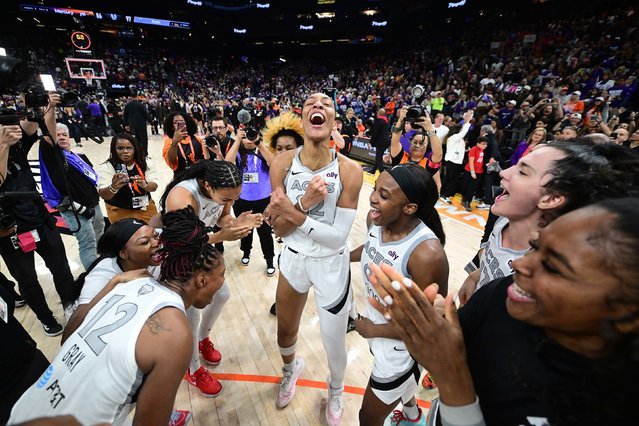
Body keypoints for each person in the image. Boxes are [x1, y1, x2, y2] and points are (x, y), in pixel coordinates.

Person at [367, 198, 639, 425]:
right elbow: (447, 340)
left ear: (626, 311)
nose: (521, 265)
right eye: (535, 248)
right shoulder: (501, 294)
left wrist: (451, 375)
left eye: (554, 267)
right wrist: (431, 327)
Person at [9, 206, 226, 426]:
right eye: (222, 274)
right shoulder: (176, 333)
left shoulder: (130, 281)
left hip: (29, 409)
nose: (223, 282)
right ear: (201, 279)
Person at [267, 92, 363, 425]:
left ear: (334, 122)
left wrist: (294, 215)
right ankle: (290, 370)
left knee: (334, 341)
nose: (318, 106)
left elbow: (338, 237)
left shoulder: (350, 171)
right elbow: (277, 227)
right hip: (293, 257)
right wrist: (305, 205)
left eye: (326, 104)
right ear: (303, 118)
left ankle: (336, 388)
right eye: (310, 104)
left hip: (331, 264)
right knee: (284, 332)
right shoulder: (281, 163)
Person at [458, 141, 639, 304]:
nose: (504, 172)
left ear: (551, 198)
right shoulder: (504, 219)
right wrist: (476, 276)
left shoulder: (543, 267)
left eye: (523, 172)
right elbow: (491, 254)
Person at [350, 165, 448, 426]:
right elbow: (372, 247)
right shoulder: (377, 219)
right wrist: (341, 258)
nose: (373, 198)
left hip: (402, 350)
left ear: (409, 208)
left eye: (383, 195)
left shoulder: (426, 254)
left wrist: (372, 329)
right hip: (381, 333)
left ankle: (412, 414)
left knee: (367, 418)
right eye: (374, 189)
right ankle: (413, 415)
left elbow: (428, 325)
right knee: (402, 387)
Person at [158, 159, 261, 397]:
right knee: (191, 314)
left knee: (222, 294)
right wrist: (223, 236)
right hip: (178, 253)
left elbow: (222, 217)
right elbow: (184, 241)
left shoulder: (222, 192)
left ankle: (203, 339)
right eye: (227, 199)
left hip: (200, 248)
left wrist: (236, 223)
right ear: (207, 185)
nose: (231, 203)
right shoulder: (182, 197)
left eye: (235, 198)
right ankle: (193, 369)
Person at [0, 94, 75, 336]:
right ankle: (45, 317)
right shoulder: (5, 145)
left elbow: (40, 128)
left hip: (38, 216)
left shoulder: (16, 144)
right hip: (9, 227)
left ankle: (71, 307)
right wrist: (2, 146)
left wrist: (47, 107)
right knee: (28, 279)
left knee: (62, 268)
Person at [39, 123, 105, 270]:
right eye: (58, 135)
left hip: (94, 204)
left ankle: (103, 260)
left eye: (65, 135)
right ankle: (95, 275)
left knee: (99, 232)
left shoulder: (79, 157)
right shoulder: (54, 159)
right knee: (87, 243)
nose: (62, 137)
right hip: (74, 210)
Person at [262, 111, 305, 315]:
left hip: (313, 233)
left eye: (289, 147)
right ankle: (282, 302)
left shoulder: (311, 170)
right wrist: (272, 205)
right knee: (286, 265)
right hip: (291, 233)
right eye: (278, 148)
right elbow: (278, 193)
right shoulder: (279, 170)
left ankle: (349, 313)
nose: (283, 152)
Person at [225, 127, 276, 275]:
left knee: (265, 233)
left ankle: (269, 260)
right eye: (246, 137)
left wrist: (259, 143)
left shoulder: (263, 151)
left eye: (252, 136)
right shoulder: (239, 153)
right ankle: (246, 252)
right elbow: (228, 163)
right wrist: (237, 140)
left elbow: (274, 163)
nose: (249, 140)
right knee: (245, 230)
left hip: (264, 201)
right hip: (243, 200)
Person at [97, 133, 159, 223]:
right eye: (120, 148)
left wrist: (144, 185)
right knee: (126, 236)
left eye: (129, 148)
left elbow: (154, 187)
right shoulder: (107, 167)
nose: (125, 151)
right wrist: (113, 187)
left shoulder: (145, 162)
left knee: (154, 232)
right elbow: (104, 195)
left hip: (145, 207)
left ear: (135, 148)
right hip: (119, 209)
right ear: (114, 150)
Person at [388, 107, 443, 176]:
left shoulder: (428, 166)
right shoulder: (401, 157)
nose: (417, 145)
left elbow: (438, 154)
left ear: (427, 147)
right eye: (415, 142)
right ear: (410, 144)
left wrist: (431, 130)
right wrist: (401, 120)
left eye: (421, 143)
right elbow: (394, 142)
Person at [440, 110, 473, 203]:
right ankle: (445, 195)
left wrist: (466, 150)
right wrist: (467, 121)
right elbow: (463, 132)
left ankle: (443, 194)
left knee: (449, 178)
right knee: (450, 179)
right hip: (452, 161)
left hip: (455, 161)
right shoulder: (453, 137)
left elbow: (458, 148)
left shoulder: (457, 139)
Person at [162, 112, 209, 177]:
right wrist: (174, 143)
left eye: (181, 122)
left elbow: (206, 158)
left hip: (199, 176)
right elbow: (171, 161)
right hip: (181, 178)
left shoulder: (197, 139)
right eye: (175, 122)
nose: (178, 124)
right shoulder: (169, 141)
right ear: (171, 126)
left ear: (187, 123)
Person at [460, 137, 488, 212]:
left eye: (486, 144)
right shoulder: (474, 149)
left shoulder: (482, 150)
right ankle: (465, 201)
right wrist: (472, 172)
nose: (485, 145)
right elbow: (471, 161)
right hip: (470, 171)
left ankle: (467, 201)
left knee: (472, 188)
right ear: (478, 143)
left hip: (479, 172)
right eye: (483, 144)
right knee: (467, 186)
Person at [368, 108, 391, 174]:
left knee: (379, 159)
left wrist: (370, 142)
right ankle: (373, 170)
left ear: (379, 113)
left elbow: (375, 132)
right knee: (379, 156)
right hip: (386, 141)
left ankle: (382, 174)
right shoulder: (386, 120)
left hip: (381, 142)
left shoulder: (378, 120)